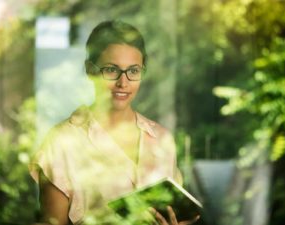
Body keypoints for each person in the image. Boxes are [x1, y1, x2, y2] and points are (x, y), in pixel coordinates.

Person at [30, 20, 199, 225]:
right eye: (111, 70)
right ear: (90, 70)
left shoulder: (161, 139)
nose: (123, 82)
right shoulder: (60, 142)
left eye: (133, 71)